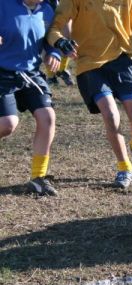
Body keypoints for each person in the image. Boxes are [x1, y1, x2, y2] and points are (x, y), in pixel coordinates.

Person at [48, 0, 132, 189]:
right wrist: (60, 41)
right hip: (90, 65)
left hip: (121, 62)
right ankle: (124, 168)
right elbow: (54, 26)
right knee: (111, 115)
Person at [0, 0, 61, 196]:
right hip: (2, 73)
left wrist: (54, 53)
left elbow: (50, 39)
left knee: (47, 117)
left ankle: (38, 178)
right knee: (7, 124)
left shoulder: (47, 10)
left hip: (30, 74)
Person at [43, 0, 73, 86]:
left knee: (67, 36)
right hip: (44, 4)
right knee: (47, 38)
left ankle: (62, 70)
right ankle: (51, 76)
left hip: (61, 4)